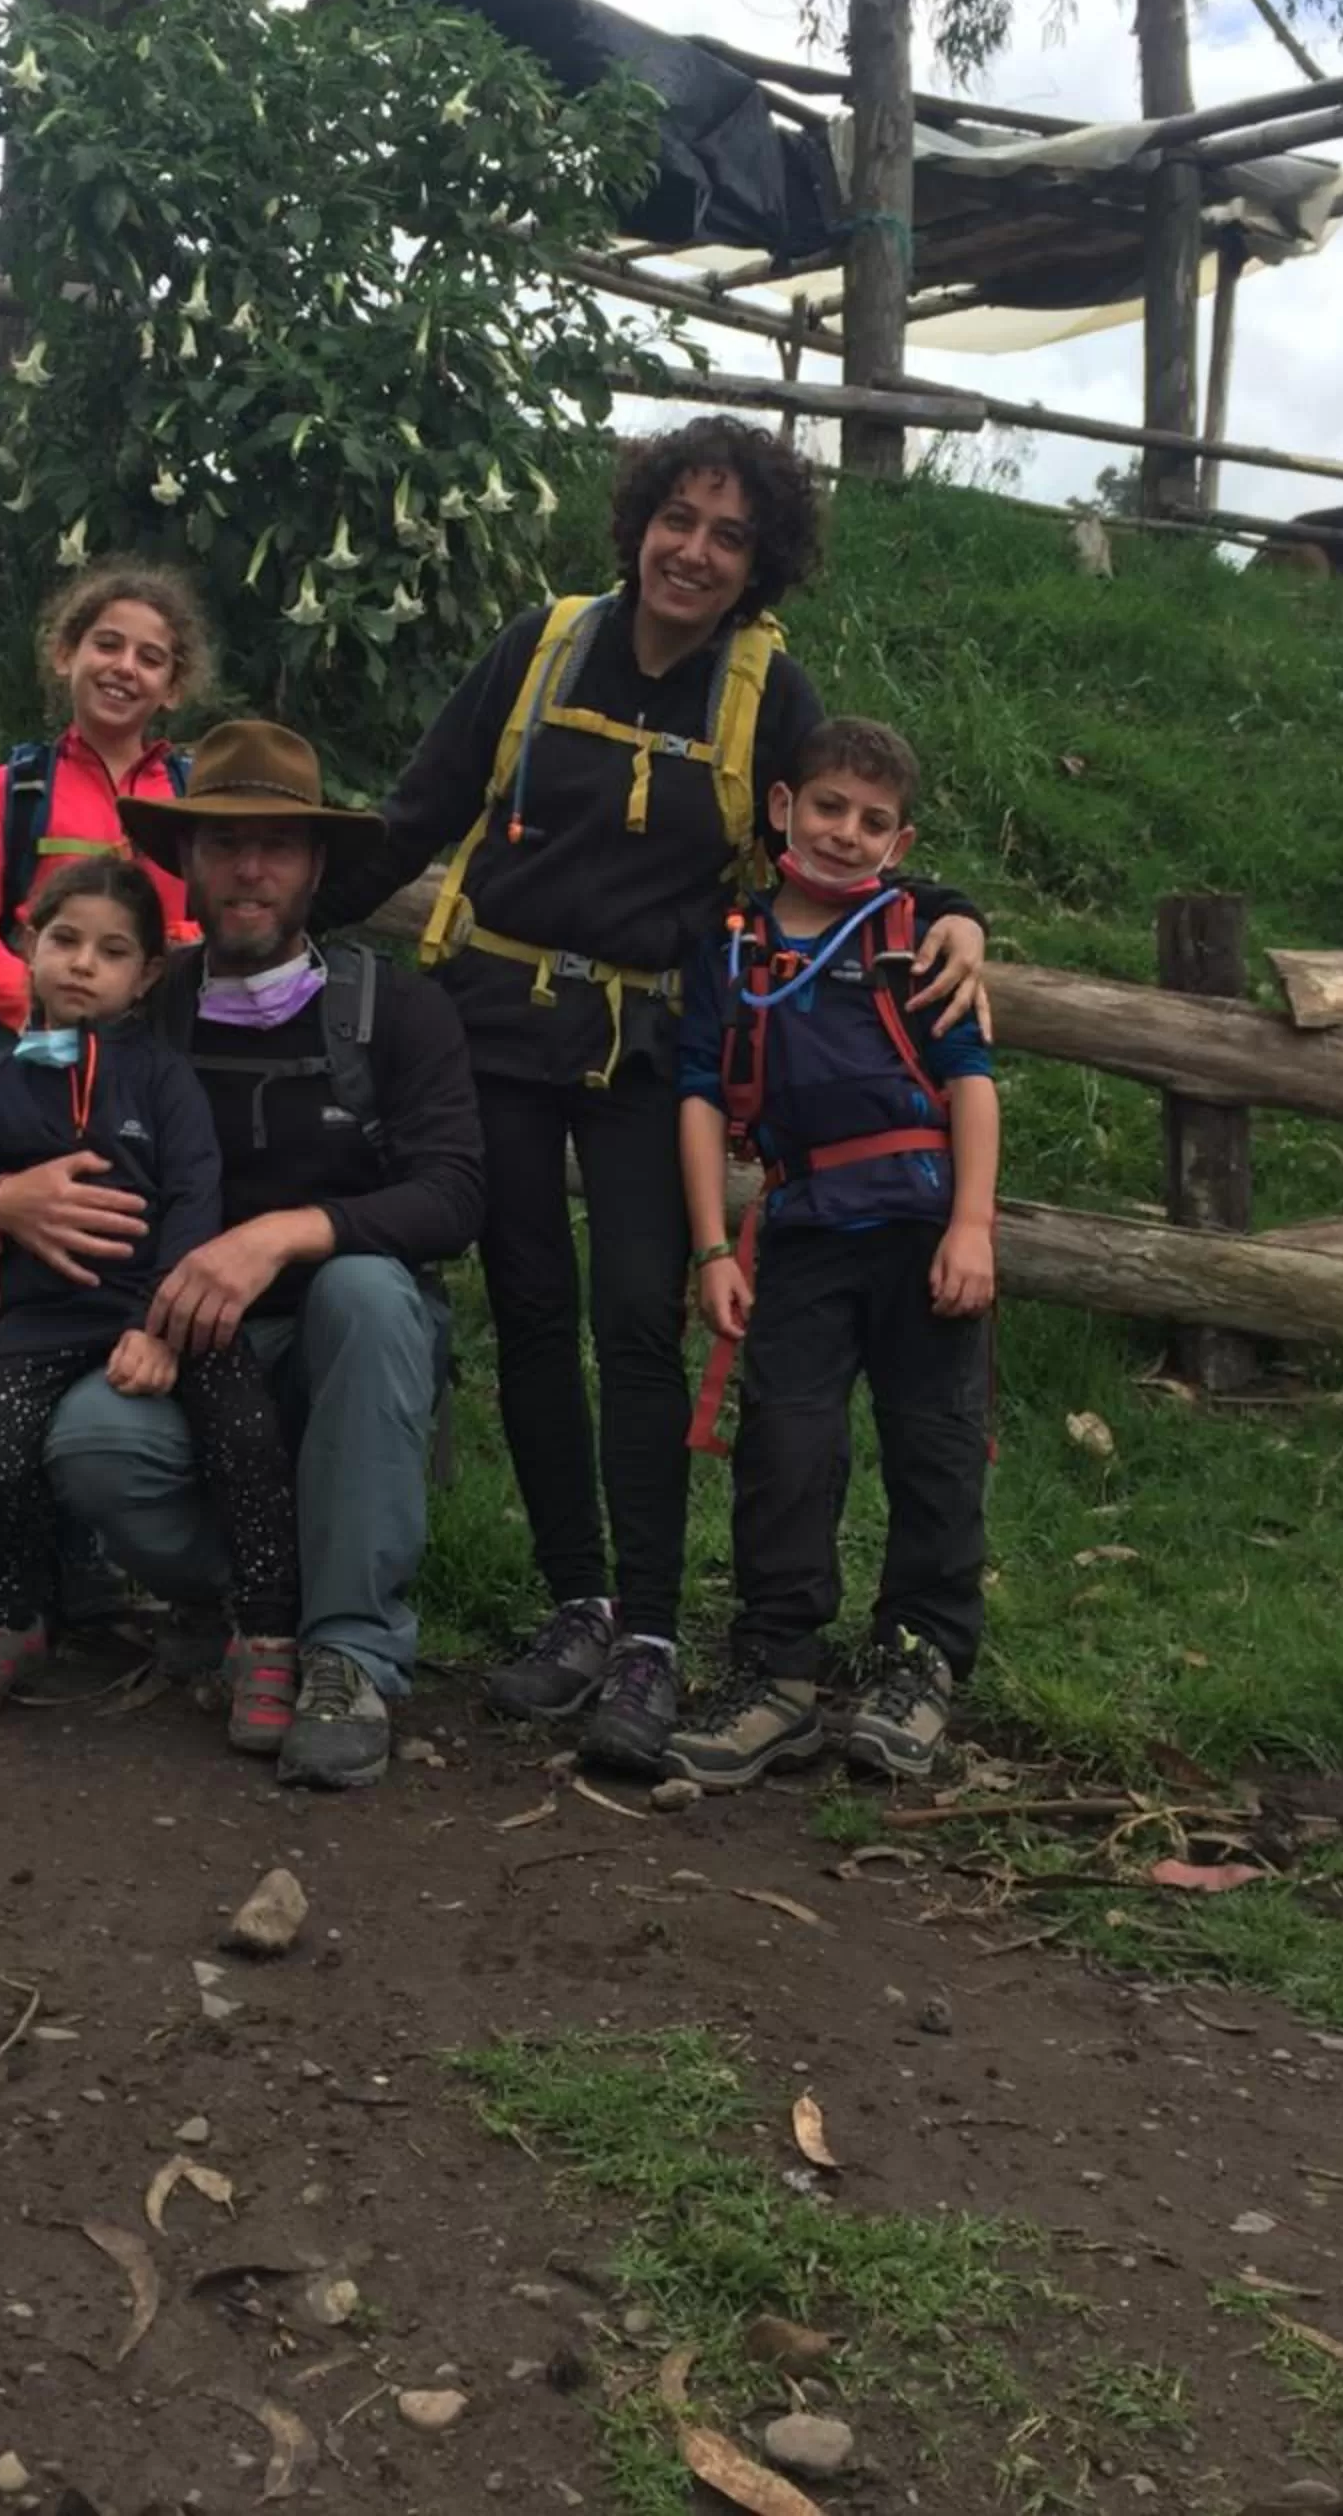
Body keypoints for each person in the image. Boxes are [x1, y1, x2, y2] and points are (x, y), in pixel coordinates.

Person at [316, 419, 989, 1775]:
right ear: (638, 523)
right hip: (493, 1030)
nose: (694, 550)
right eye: (678, 518)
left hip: (643, 1050)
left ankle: (653, 1639)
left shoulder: (763, 687)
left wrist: (953, 911)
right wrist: (266, 926)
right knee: (527, 1308)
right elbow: (419, 810)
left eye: (730, 534)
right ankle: (577, 1603)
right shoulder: (542, 642)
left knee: (634, 1320)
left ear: (763, 562)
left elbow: (839, 827)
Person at [0, 722, 487, 1792]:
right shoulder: (139, 1016)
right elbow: (10, 1130)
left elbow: (455, 1196)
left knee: (362, 1288)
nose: (250, 870)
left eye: (277, 847)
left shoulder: (396, 1010)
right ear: (189, 866)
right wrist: (1, 1195)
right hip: (189, 1351)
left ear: (315, 868)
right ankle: (257, 1595)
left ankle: (349, 1655)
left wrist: (281, 1234)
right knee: (89, 1445)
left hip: (355, 1354)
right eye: (224, 845)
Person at [0, 856, 304, 1753]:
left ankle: (267, 1633)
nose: (84, 964)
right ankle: (10, 1618)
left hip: (163, 1320)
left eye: (113, 951)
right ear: (26, 945)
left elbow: (196, 1200)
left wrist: (160, 1328)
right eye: (65, 940)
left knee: (245, 1434)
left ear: (147, 975)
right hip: (36, 1328)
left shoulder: (162, 1081)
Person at [664, 718, 999, 1791]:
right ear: (781, 810)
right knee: (785, 1450)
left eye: (873, 821)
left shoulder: (918, 937)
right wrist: (714, 1244)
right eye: (827, 808)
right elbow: (703, 1097)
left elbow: (972, 1083)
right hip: (800, 1235)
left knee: (934, 1449)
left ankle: (919, 1661)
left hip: (921, 1232)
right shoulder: (729, 945)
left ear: (900, 842)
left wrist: (975, 1227)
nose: (846, 834)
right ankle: (777, 1674)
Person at [0, 563, 211, 1289]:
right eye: (107, 644)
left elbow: (194, 930)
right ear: (68, 653)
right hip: (10, 1036)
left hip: (143, 1047)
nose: (125, 667)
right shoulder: (16, 789)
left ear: (174, 686)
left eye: (151, 658)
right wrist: (43, 1018)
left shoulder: (189, 800)